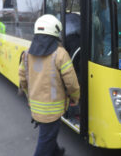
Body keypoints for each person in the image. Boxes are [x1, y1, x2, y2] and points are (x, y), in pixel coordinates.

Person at [19, 14, 80, 156]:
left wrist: (29, 95)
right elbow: (71, 82)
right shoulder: (60, 54)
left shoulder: (27, 54)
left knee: (48, 135)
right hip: (53, 109)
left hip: (35, 106)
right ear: (55, 32)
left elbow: (22, 79)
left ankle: (57, 152)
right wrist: (75, 97)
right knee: (45, 141)